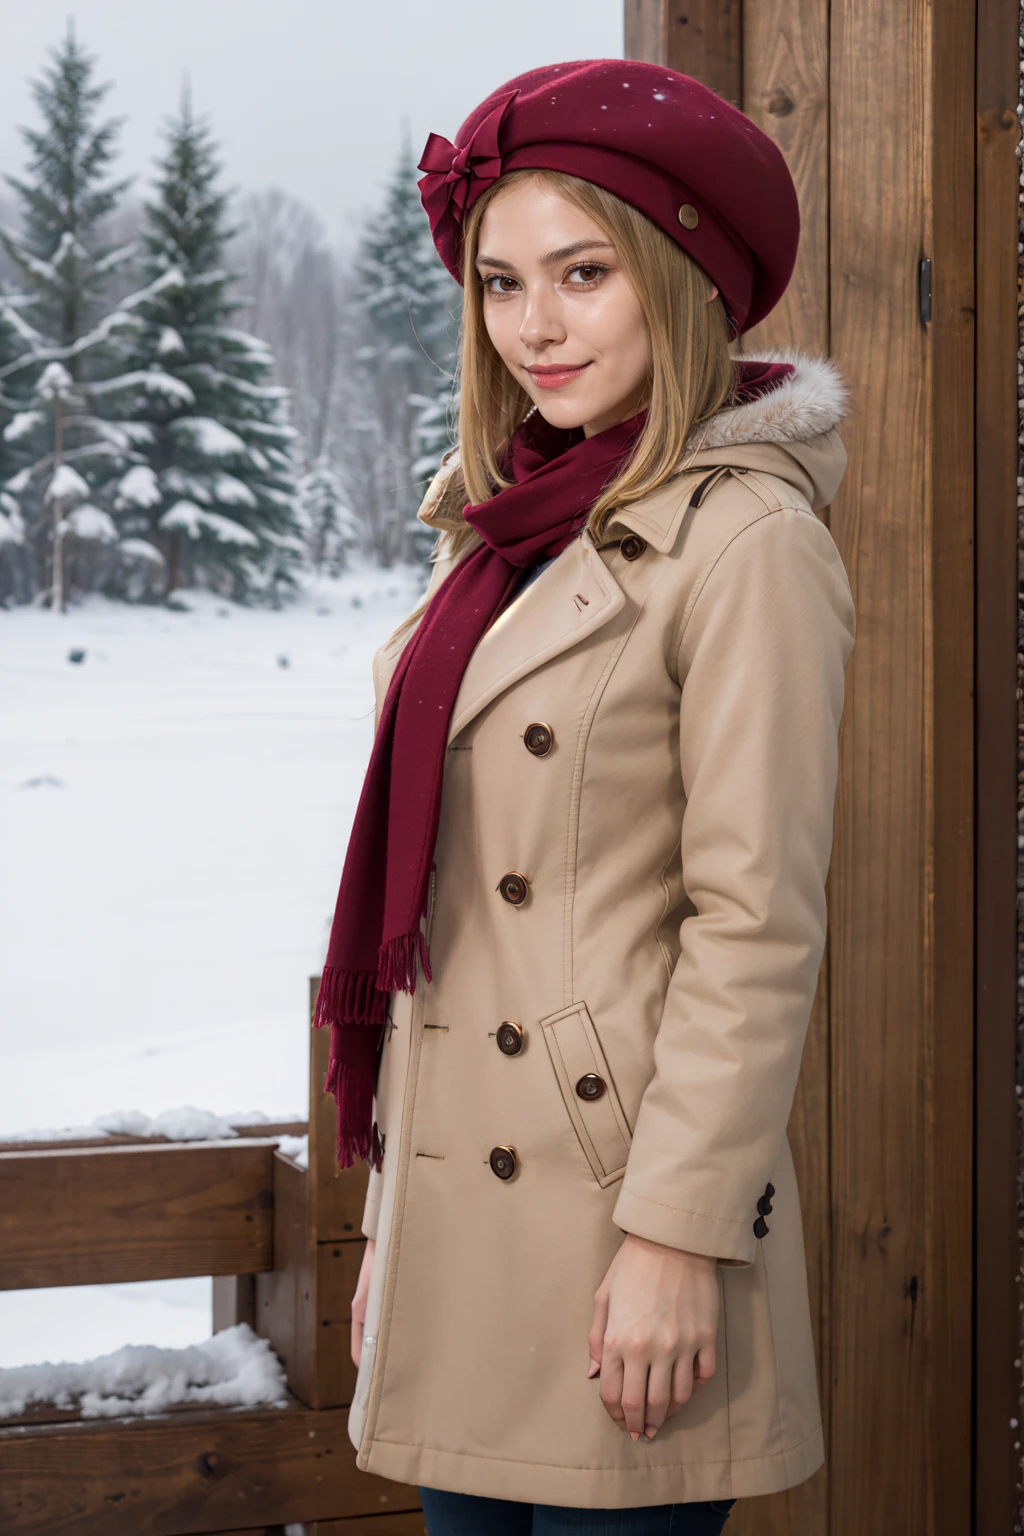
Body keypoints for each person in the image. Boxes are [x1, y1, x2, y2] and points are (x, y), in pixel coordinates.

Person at [315, 59, 856, 1535]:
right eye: (500, 282)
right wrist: (397, 1236)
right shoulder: (494, 534)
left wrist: (682, 1237)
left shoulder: (747, 543)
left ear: (680, 278)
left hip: (627, 1219)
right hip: (466, 1230)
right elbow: (438, 924)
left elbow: (754, 926)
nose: (535, 325)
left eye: (583, 273)